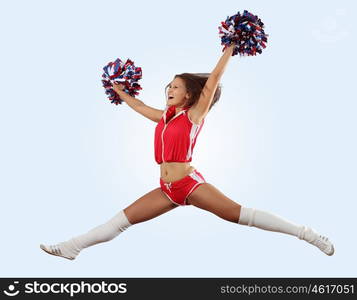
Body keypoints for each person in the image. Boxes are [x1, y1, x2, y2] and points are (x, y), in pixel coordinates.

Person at [40, 44, 334, 260]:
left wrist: (230, 48)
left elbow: (213, 81)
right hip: (166, 188)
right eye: (168, 85)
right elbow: (140, 107)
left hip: (188, 184)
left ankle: (306, 233)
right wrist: (119, 91)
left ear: (189, 95)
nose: (169, 89)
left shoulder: (193, 115)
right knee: (119, 221)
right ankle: (72, 248)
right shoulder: (164, 116)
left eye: (176, 86)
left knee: (238, 215)